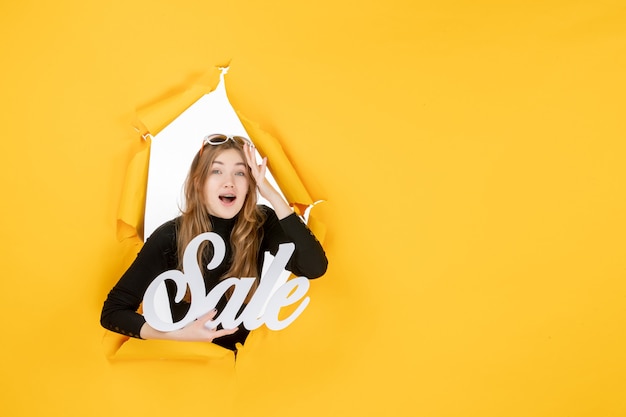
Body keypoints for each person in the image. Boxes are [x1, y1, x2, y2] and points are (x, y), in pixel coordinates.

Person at [101, 134, 328, 351]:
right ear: (199, 182)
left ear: (250, 183)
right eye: (216, 171)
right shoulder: (170, 236)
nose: (229, 182)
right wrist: (178, 335)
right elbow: (113, 312)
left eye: (240, 173)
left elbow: (314, 267)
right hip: (196, 370)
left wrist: (273, 195)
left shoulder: (261, 223)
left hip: (249, 368)